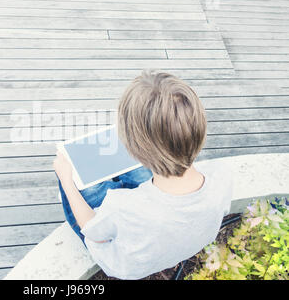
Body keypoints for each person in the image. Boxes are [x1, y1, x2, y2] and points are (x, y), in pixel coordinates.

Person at [53, 70, 233, 279]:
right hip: (171, 236)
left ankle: (75, 182)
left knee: (73, 175)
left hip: (125, 265)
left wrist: (66, 180)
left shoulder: (122, 207)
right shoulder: (222, 177)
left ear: (136, 149)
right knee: (128, 177)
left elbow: (94, 232)